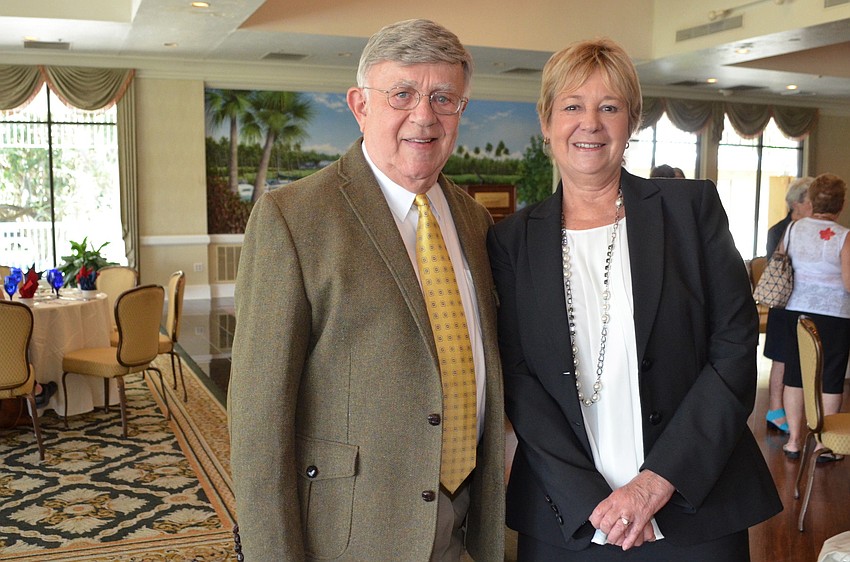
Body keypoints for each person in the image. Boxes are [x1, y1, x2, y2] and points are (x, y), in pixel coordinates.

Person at [488, 38, 781, 560]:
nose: (590, 123)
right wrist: (590, 498)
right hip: (568, 516)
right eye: (572, 106)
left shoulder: (692, 211)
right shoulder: (511, 241)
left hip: (696, 505)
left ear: (633, 120)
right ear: (546, 120)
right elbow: (518, 376)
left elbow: (734, 350)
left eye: (609, 107)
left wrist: (655, 484)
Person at [228, 19, 505, 562]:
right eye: (401, 93)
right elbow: (258, 422)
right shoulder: (293, 218)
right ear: (360, 105)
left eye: (443, 98)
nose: (423, 116)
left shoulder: (475, 222)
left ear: (460, 112)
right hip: (350, 531)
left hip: (467, 523)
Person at [778, 173, 850, 462]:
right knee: (830, 377)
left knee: (796, 374)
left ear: (811, 200)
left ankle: (794, 441)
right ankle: (823, 445)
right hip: (835, 315)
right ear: (841, 205)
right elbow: (848, 282)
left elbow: (781, 263)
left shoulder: (793, 229)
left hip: (798, 311)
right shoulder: (844, 236)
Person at [762, 176, 813, 434]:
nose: (814, 204)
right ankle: (774, 409)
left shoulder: (803, 228)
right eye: (810, 199)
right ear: (797, 203)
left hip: (797, 303)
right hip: (785, 303)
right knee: (782, 359)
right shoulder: (783, 230)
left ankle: (786, 411)